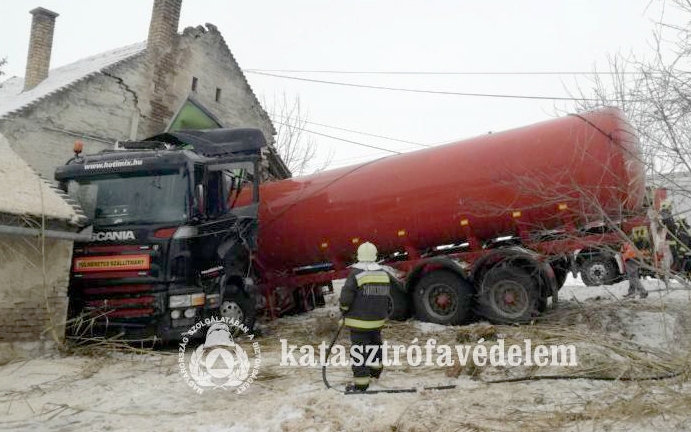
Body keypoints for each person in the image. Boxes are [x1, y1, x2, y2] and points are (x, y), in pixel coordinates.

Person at [339, 241, 392, 392]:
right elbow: (386, 298)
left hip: (359, 323)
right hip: (377, 321)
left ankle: (361, 384)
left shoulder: (356, 274)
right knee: (375, 345)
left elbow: (346, 297)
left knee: (359, 352)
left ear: (359, 256)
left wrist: (343, 310)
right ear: (375, 256)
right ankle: (375, 372)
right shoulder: (383, 274)